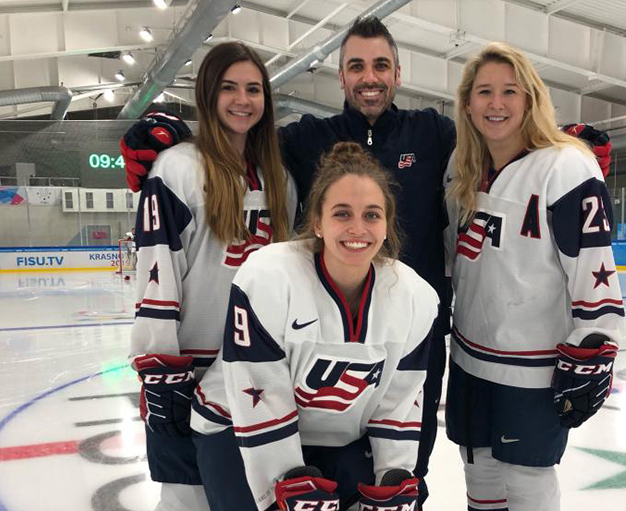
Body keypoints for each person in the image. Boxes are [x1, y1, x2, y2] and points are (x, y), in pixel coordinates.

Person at [122, 18, 455, 506]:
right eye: (355, 66)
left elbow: (497, 142)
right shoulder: (303, 143)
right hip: (251, 358)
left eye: (380, 65)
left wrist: (565, 151)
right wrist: (169, 139)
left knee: (398, 478)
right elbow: (231, 137)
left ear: (398, 73)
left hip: (393, 342)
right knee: (216, 489)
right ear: (340, 77)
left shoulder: (434, 133)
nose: (369, 76)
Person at [191, 141, 439, 511]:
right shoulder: (269, 277)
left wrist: (394, 475)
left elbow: (400, 402)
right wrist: (285, 480)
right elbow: (258, 391)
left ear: (387, 225)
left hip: (338, 437)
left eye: (372, 215)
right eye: (342, 213)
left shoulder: (415, 297)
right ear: (318, 223)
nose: (358, 228)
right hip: (236, 426)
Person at [443, 42, 623, 511]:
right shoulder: (462, 168)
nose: (496, 103)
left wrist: (594, 341)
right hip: (468, 359)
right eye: (484, 92)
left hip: (531, 373)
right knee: (478, 474)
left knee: (527, 486)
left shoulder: (565, 165)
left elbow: (594, 268)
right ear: (467, 103)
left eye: (510, 91)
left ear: (531, 99)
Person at [129, 42, 297, 511]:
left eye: (253, 89)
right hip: (190, 369)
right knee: (186, 499)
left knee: (252, 496)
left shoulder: (279, 178)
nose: (242, 100)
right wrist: (159, 368)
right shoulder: (177, 168)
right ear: (207, 94)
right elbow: (158, 274)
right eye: (229, 88)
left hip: (257, 373)